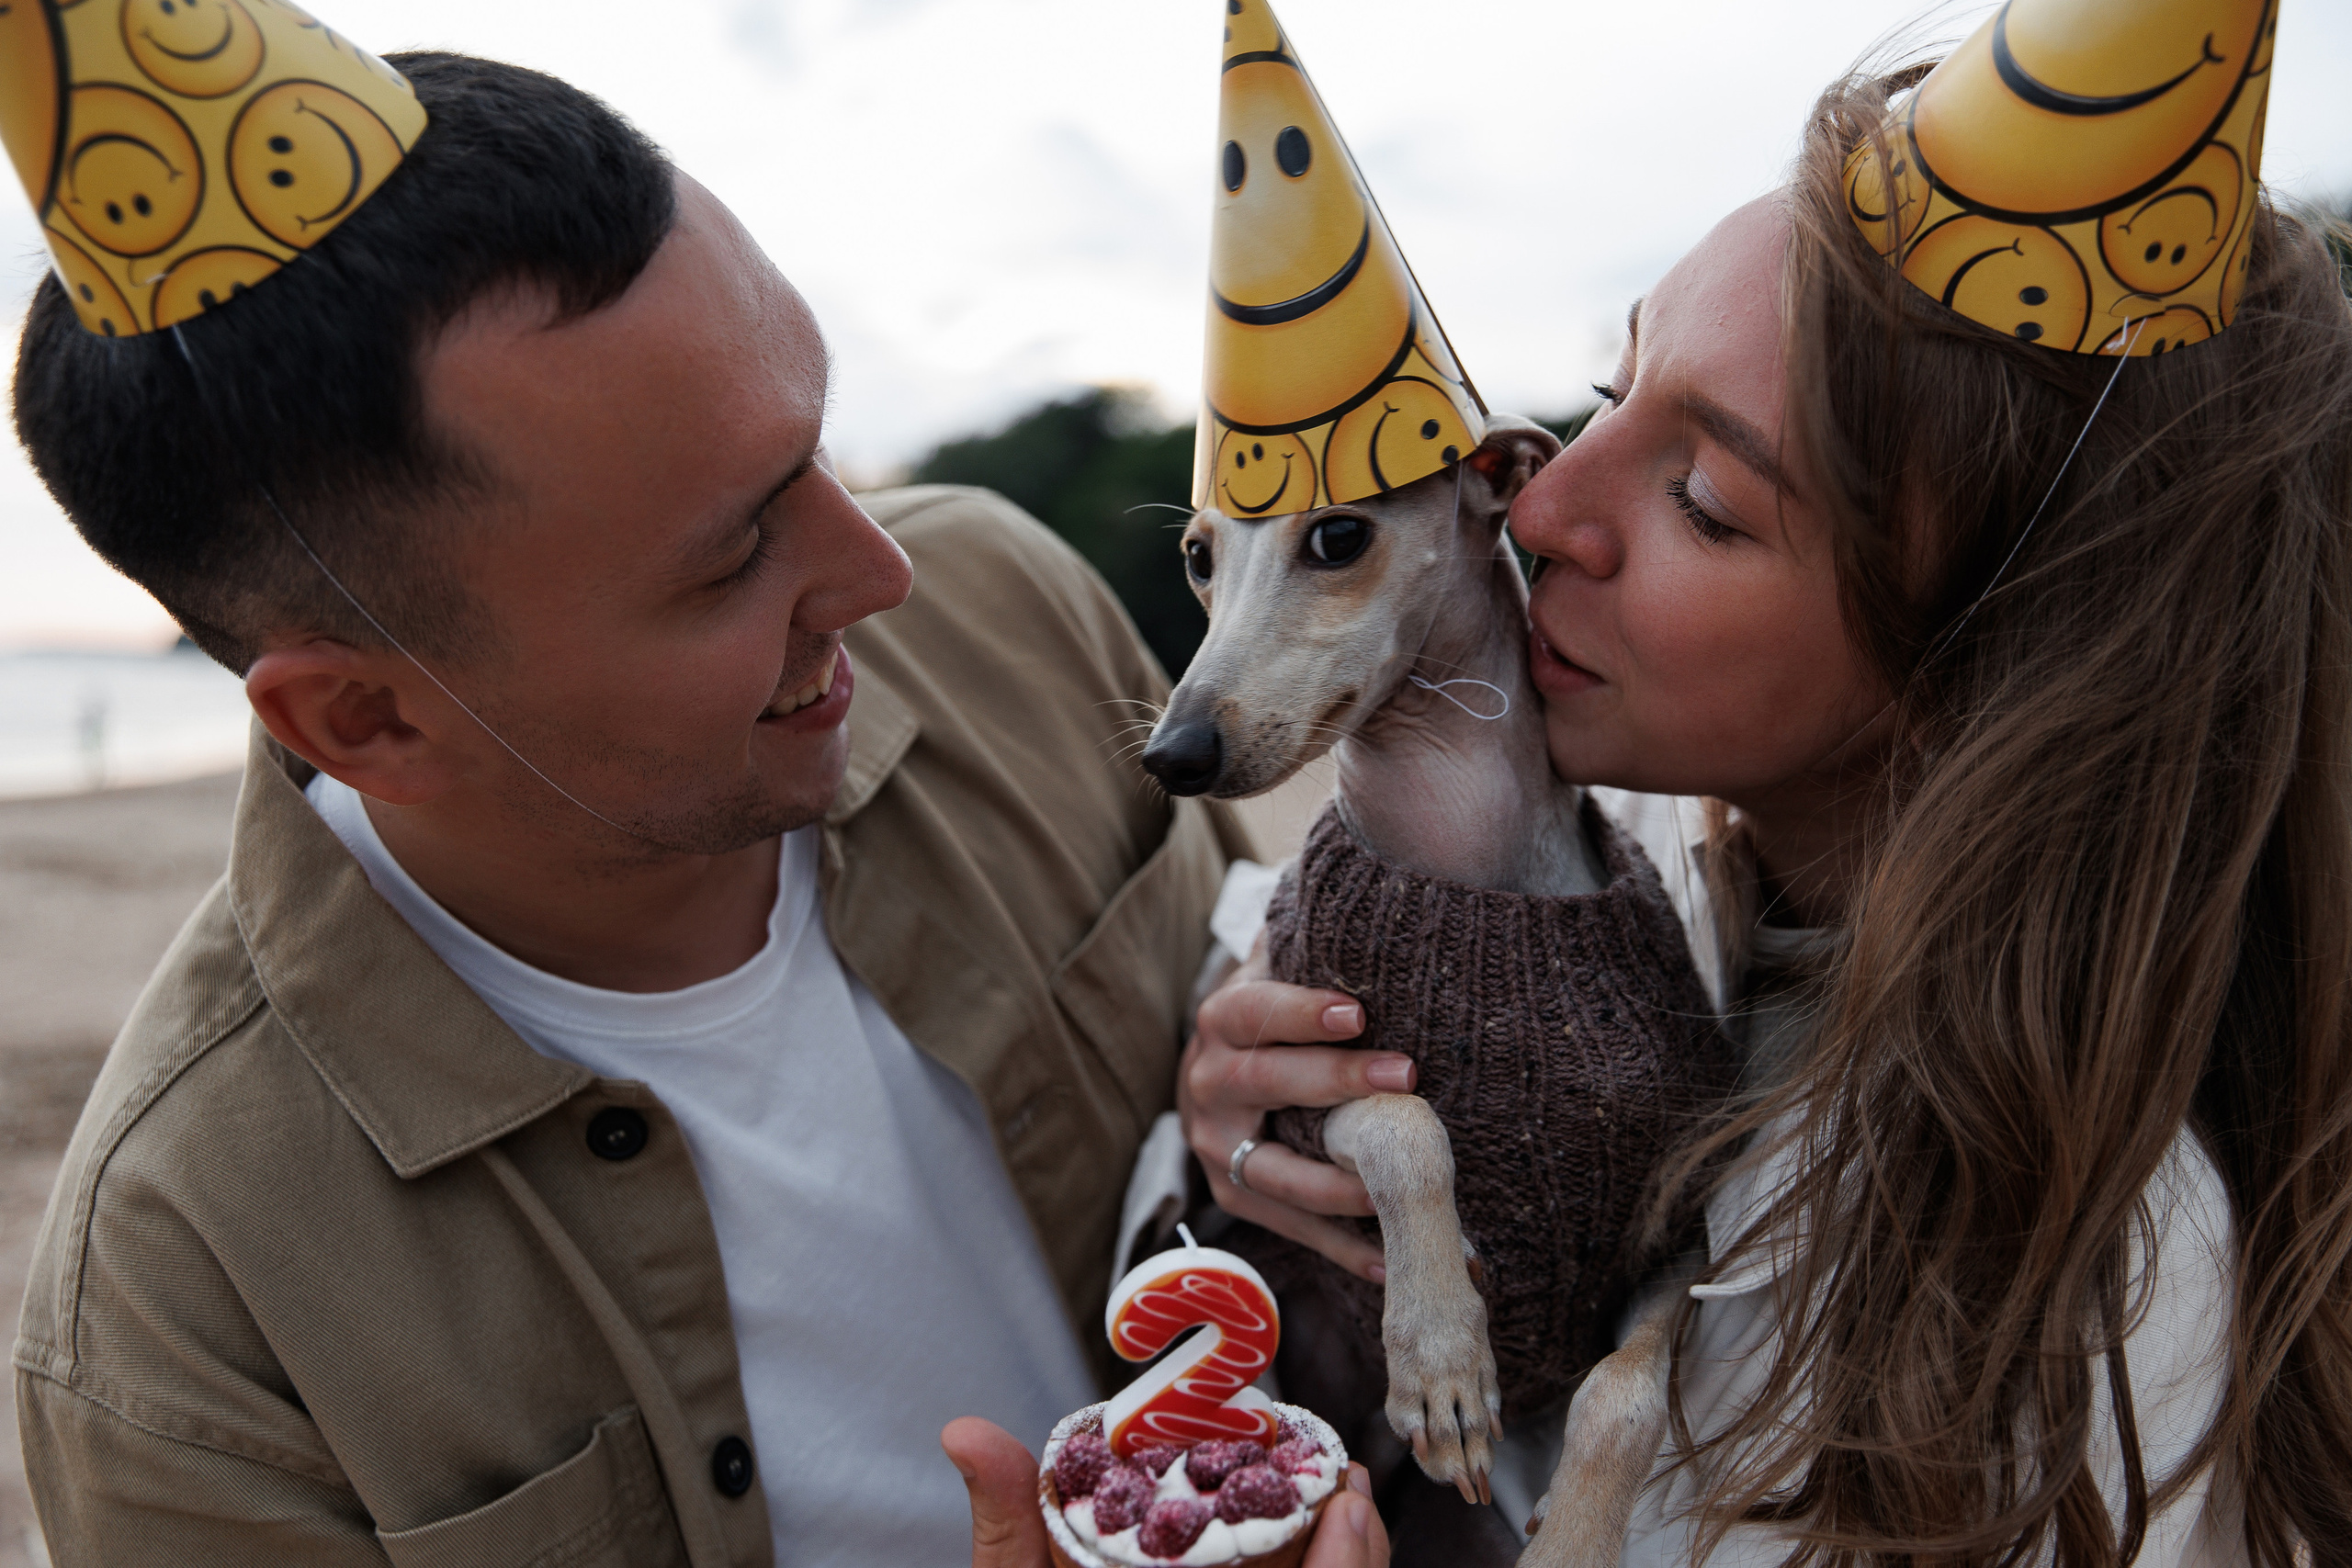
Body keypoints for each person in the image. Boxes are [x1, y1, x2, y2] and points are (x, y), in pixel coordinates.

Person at [6, 36, 1245, 1568]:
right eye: (730, 558)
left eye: (816, 446)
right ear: (370, 720)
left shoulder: (1010, 612)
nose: (879, 573)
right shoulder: (185, 1322)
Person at [1173, 7, 2352, 1566]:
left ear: (2003, 662)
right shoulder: (1643, 842)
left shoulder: (2116, 1334)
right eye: (1611, 390)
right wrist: (1232, 1096)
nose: (1543, 502)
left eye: (1707, 502)